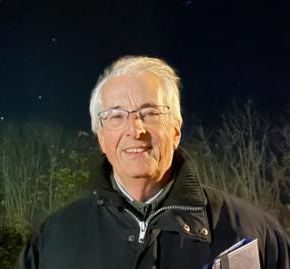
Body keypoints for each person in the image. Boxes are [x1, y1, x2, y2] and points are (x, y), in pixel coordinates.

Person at [18, 56, 290, 268]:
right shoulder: (53, 238)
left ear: (175, 129)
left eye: (149, 113)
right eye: (116, 116)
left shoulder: (255, 235)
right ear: (101, 138)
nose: (135, 130)